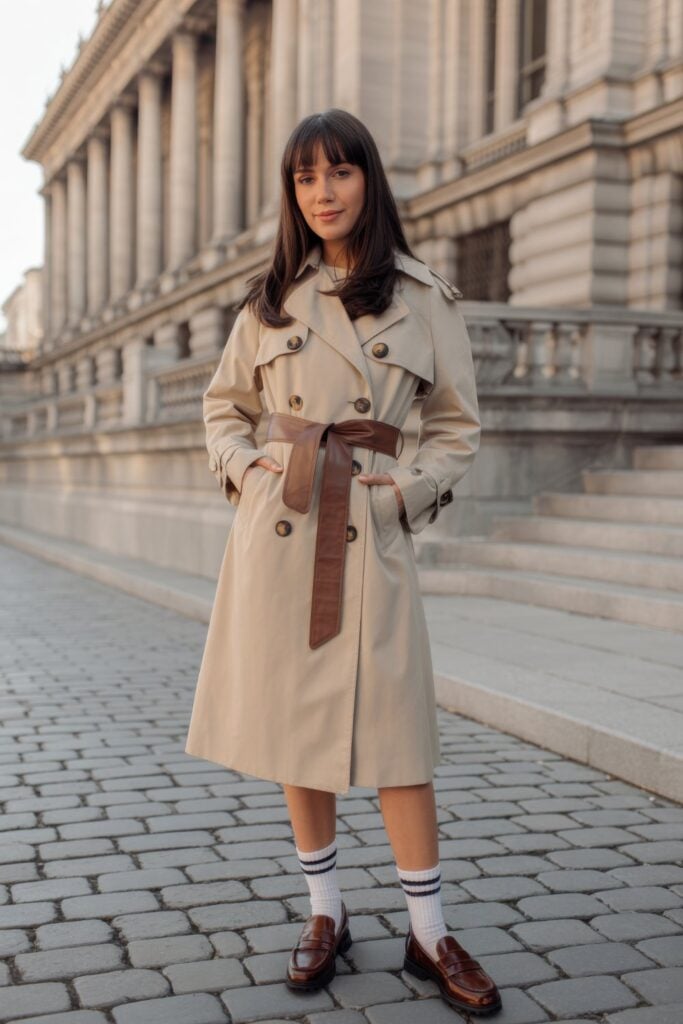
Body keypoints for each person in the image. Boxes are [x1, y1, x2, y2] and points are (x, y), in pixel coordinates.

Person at [184, 108, 501, 1016]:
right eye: (304, 178)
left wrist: (405, 495)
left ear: (370, 179)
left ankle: (429, 931)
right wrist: (245, 471)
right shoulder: (269, 299)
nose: (322, 192)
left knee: (400, 739)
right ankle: (324, 911)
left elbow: (454, 425)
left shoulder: (422, 296)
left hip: (369, 530)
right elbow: (222, 408)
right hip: (281, 532)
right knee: (297, 730)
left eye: (339, 172)